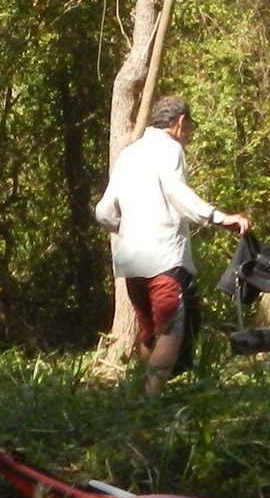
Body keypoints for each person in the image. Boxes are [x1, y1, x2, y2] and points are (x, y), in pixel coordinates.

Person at [95, 94, 249, 394]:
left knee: (149, 330)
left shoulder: (129, 154)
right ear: (179, 123)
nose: (189, 136)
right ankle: (148, 406)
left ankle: (141, 394)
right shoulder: (169, 149)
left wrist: (125, 228)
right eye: (189, 128)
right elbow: (177, 194)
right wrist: (218, 217)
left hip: (130, 260)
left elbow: (103, 211)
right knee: (170, 330)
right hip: (164, 258)